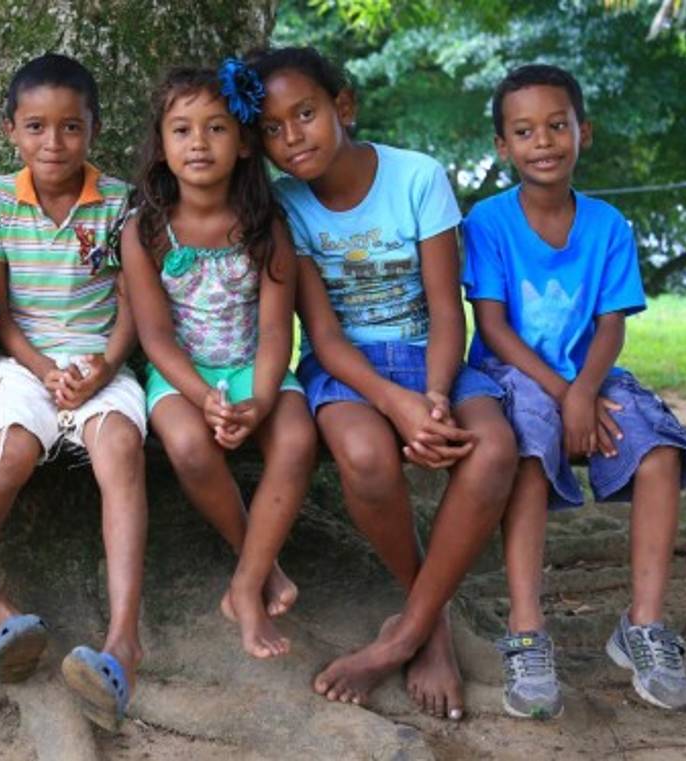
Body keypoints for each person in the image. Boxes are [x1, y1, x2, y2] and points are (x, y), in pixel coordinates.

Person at [249, 46, 519, 719]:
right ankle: (430, 627)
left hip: (435, 359)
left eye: (304, 114)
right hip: (349, 371)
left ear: (343, 106)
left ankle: (406, 629)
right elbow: (327, 338)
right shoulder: (286, 206)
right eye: (272, 130)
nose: (291, 137)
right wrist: (395, 403)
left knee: (493, 449)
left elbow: (444, 308)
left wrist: (430, 397)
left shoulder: (416, 177)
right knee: (366, 456)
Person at [463, 63, 686, 718]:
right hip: (510, 378)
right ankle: (526, 629)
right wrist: (564, 393)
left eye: (556, 125)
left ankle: (644, 625)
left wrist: (585, 388)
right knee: (531, 447)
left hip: (592, 378)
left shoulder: (607, 225)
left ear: (582, 132)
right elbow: (491, 326)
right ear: (502, 147)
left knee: (657, 449)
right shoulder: (487, 222)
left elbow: (610, 324)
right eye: (524, 130)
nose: (543, 141)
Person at [0, 53, 147, 732]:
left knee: (120, 448)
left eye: (70, 127)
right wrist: (43, 369)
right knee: (6, 451)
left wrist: (102, 364)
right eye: (36, 126)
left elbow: (132, 305)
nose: (53, 143)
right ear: (11, 129)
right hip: (23, 360)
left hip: (102, 360)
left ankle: (123, 636)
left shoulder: (122, 200)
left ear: (92, 129)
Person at [120, 64, 315, 661]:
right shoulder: (146, 230)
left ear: (246, 142)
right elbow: (154, 337)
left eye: (216, 128)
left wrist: (257, 399)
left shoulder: (265, 227)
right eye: (181, 130)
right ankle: (260, 564)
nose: (198, 143)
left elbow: (276, 327)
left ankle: (243, 585)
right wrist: (203, 397)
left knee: (298, 440)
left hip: (256, 367)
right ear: (161, 143)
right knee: (186, 445)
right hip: (182, 375)